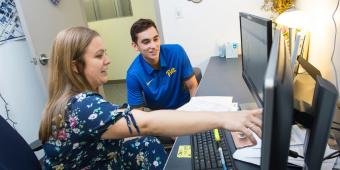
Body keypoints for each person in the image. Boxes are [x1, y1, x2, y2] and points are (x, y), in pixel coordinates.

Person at [39, 26, 262, 170]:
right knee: (148, 140)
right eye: (99, 56)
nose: (108, 60)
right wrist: (223, 118)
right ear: (75, 67)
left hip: (96, 157)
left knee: (146, 143)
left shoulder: (70, 100)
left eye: (105, 53)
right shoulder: (84, 106)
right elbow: (144, 121)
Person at [126, 18, 198, 110]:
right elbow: (138, 113)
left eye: (155, 39)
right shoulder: (133, 74)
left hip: (185, 107)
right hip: (160, 117)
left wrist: (194, 112)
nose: (153, 46)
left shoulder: (176, 52)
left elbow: (192, 86)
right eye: (146, 42)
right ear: (135, 46)